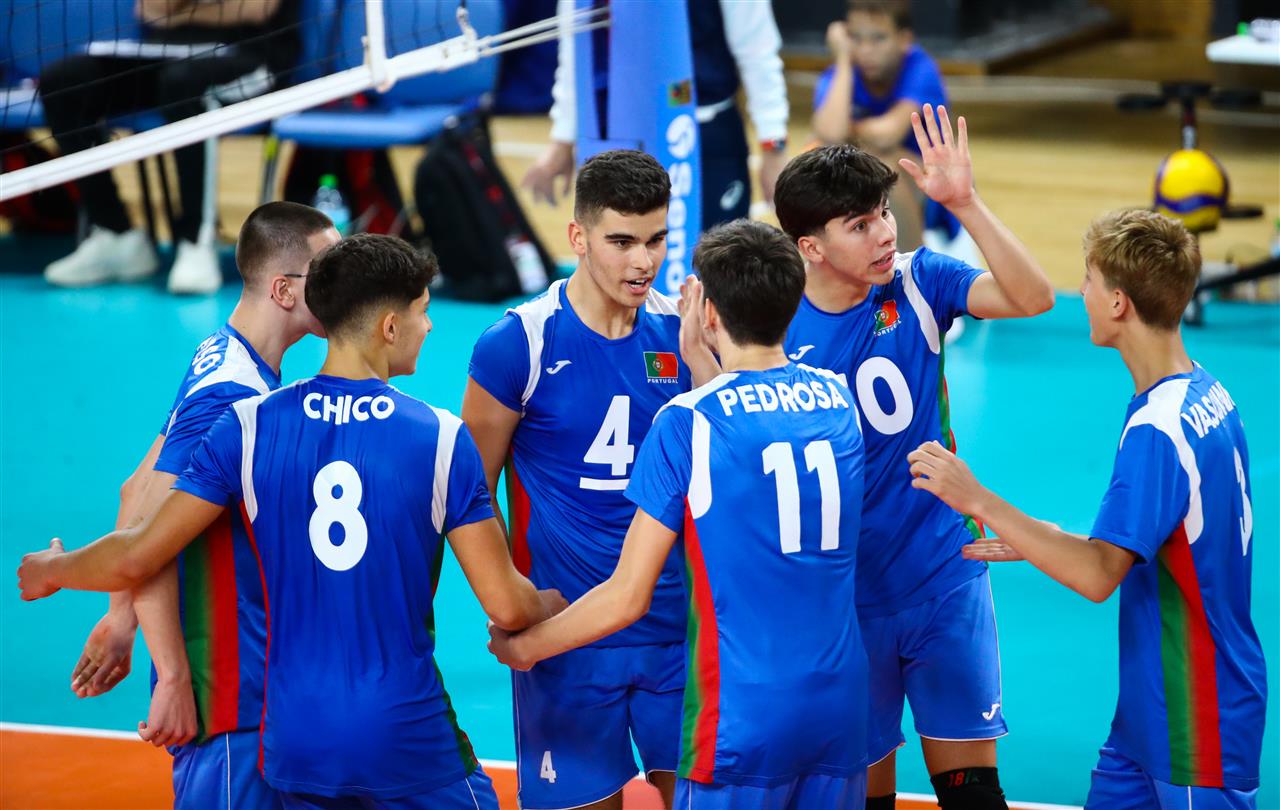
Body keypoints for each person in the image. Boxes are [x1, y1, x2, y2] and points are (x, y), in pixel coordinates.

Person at [19, 233, 566, 809]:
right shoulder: (442, 438)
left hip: (296, 742)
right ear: (389, 326)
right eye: (422, 312)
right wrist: (552, 607)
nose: (428, 327)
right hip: (406, 737)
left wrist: (55, 568)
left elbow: (136, 552)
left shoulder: (247, 426)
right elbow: (506, 605)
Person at [489, 218, 870, 810]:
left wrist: (527, 646)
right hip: (841, 704)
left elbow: (627, 596)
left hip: (741, 713)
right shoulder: (838, 399)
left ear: (709, 311)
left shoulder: (687, 421)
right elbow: (755, 438)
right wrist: (700, 361)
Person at [908, 209, 1267, 809]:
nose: (1082, 293)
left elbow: (1099, 574)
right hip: (1149, 716)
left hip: (1195, 720)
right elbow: (1151, 539)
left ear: (1120, 303)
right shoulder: (1205, 392)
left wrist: (976, 498)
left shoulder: (1158, 428)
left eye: (1090, 281)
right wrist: (1040, 537)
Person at [772, 106, 1055, 810]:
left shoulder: (920, 280)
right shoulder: (771, 327)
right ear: (810, 247)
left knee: (973, 796)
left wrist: (966, 203)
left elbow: (1034, 297)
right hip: (844, 597)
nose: (884, 232)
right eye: (859, 224)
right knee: (865, 799)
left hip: (941, 574)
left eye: (883, 212)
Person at [63, 200, 338, 808]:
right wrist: (173, 676)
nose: (342, 284)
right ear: (284, 290)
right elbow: (146, 524)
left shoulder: (222, 354)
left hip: (241, 682)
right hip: (224, 690)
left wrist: (121, 620)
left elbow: (135, 488)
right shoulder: (229, 395)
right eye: (328, 270)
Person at [463, 149, 715, 810]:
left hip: (675, 637)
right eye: (622, 242)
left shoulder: (684, 335)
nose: (644, 261)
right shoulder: (519, 344)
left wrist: (708, 371)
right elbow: (471, 492)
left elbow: (725, 475)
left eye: (656, 240)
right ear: (578, 237)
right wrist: (512, 601)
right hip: (567, 640)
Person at [39, 0, 300, 294]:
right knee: (64, 82)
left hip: (249, 57)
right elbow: (150, 10)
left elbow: (254, 10)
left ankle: (197, 241)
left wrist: (180, 13)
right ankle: (115, 234)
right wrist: (197, 12)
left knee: (184, 83)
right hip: (165, 53)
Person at [522, 0, 789, 225]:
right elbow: (575, 47)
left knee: (718, 258)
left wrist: (773, 145)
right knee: (623, 255)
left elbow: (757, 50)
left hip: (703, 135)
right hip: (618, 136)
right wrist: (562, 138)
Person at [811, 0, 951, 252]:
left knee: (880, 166)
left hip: (934, 192)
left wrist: (849, 129)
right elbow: (830, 133)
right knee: (811, 157)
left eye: (878, 39)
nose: (866, 50)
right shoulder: (840, 74)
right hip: (864, 191)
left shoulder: (920, 68)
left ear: (904, 39)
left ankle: (912, 264)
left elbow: (887, 134)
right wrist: (843, 60)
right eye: (856, 38)